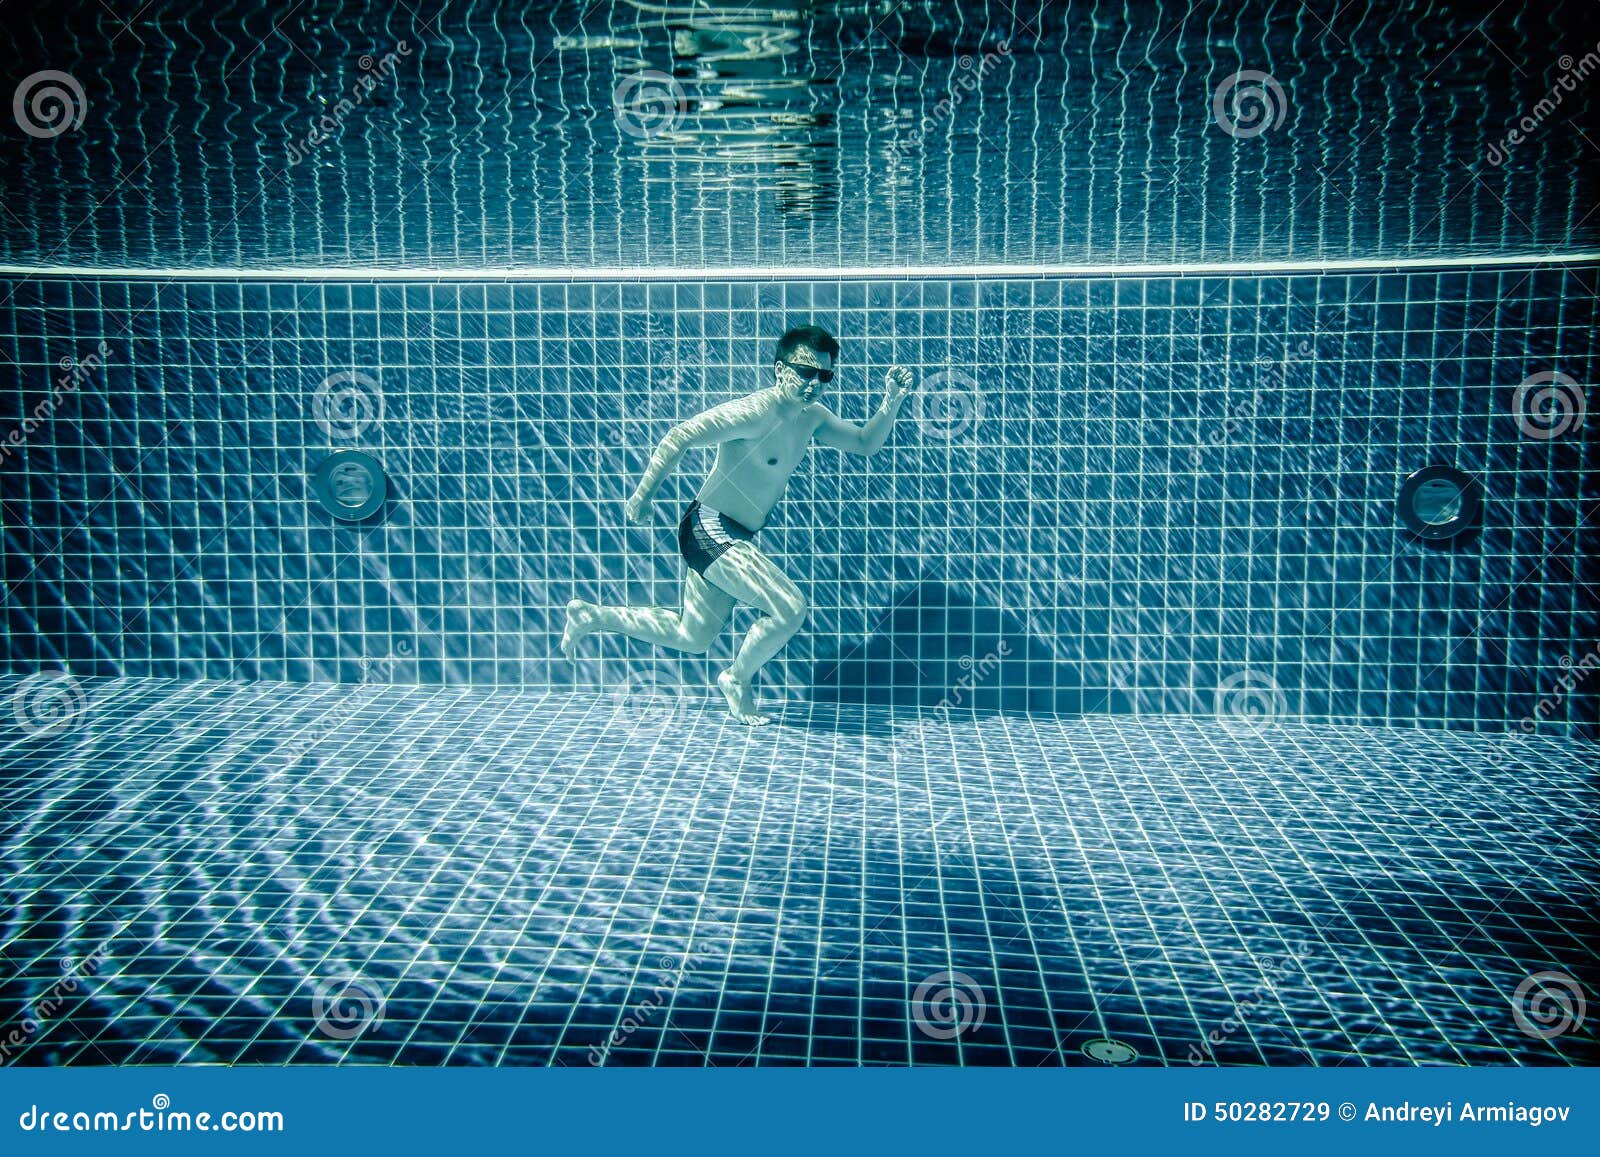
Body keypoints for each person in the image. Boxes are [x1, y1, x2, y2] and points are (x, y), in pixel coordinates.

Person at [563, 324, 916, 724]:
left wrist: (891, 401)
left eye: (825, 375)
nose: (815, 383)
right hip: (711, 528)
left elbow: (865, 443)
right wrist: (643, 495)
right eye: (805, 372)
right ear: (780, 369)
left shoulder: (812, 418)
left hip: (732, 535)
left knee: (691, 637)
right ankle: (736, 678)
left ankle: (591, 615)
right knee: (789, 609)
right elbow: (681, 436)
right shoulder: (754, 412)